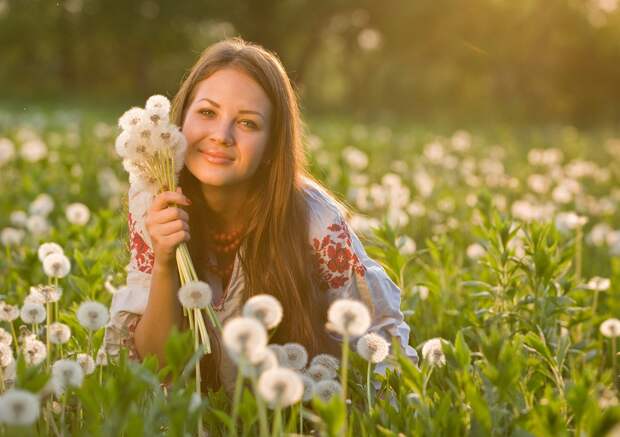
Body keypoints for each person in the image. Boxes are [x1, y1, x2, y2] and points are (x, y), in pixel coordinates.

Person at [103, 36, 418, 394]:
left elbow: (382, 345)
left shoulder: (315, 221)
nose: (221, 136)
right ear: (180, 121)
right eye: (207, 113)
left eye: (248, 123)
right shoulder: (155, 199)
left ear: (272, 145)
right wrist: (163, 260)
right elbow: (156, 366)